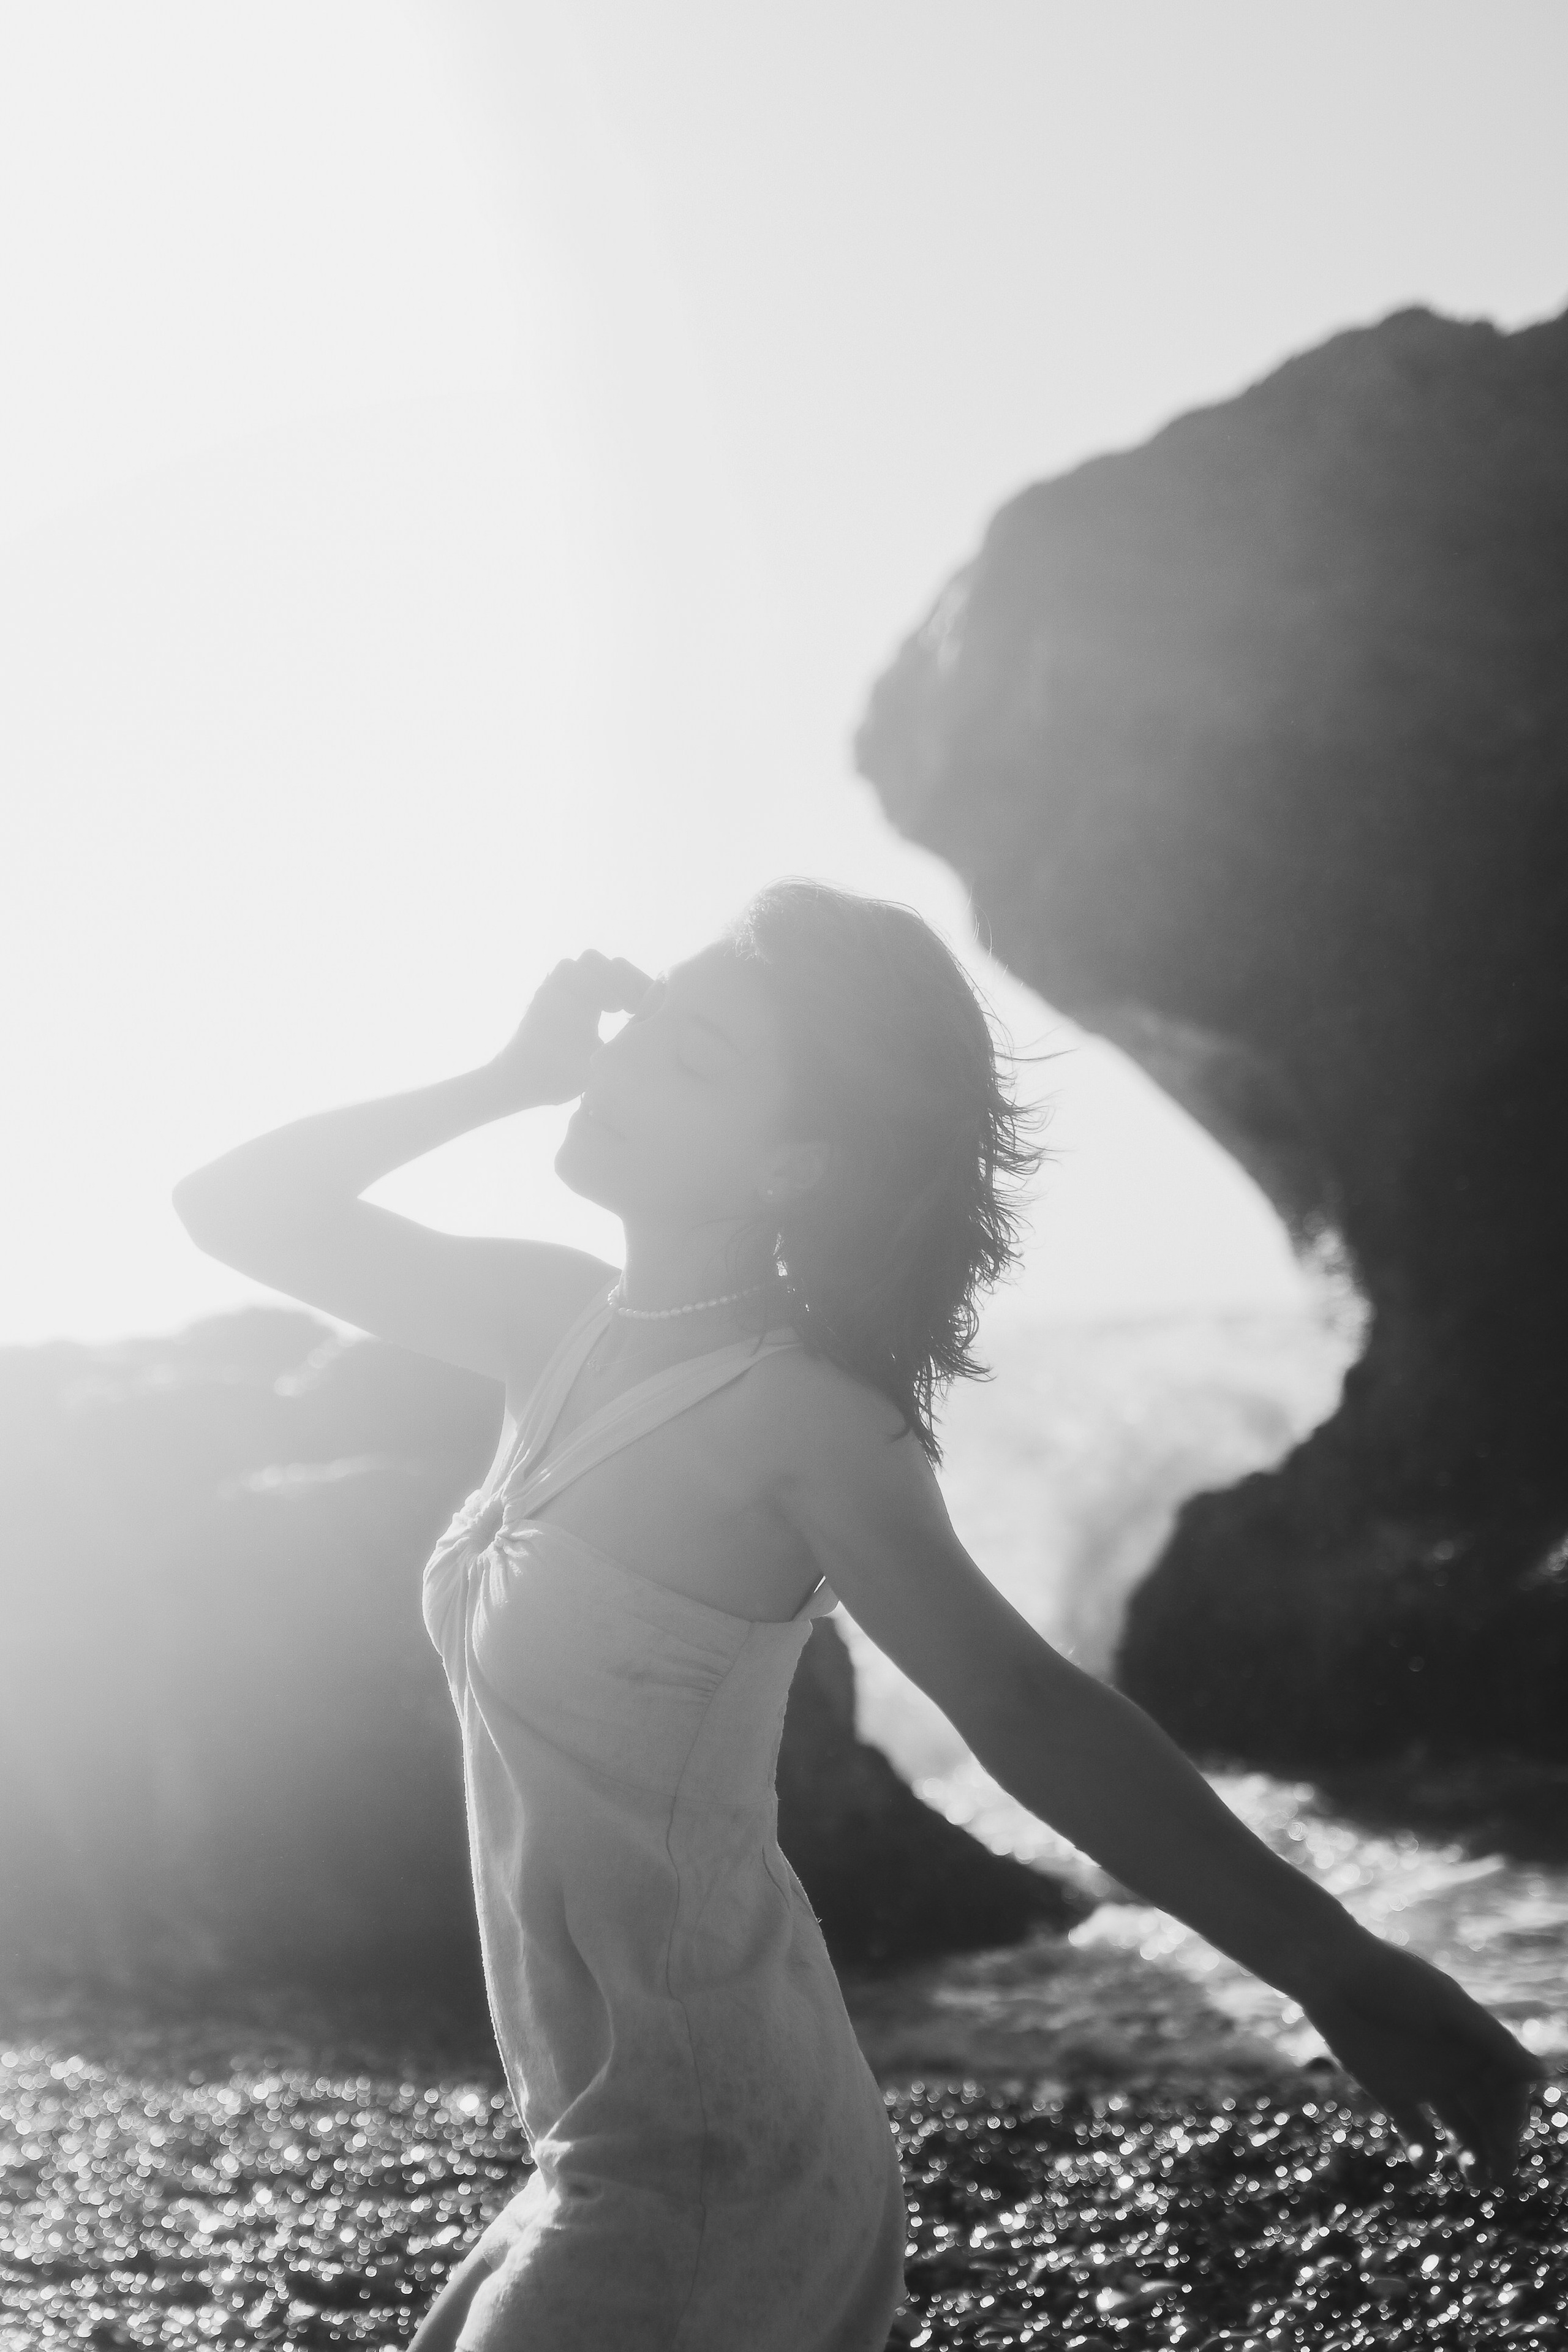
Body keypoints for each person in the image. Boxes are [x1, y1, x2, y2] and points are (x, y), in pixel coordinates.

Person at [173, 878, 1542, 2352]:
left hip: (718, 2145)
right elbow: (233, 1209)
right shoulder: (551, 1327)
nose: (626, 1066)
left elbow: (1022, 1706)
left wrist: (1329, 1963)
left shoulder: (805, 1422)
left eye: (695, 1060)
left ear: (792, 1167)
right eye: (651, 1027)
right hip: (597, 2128)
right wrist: (508, 1078)